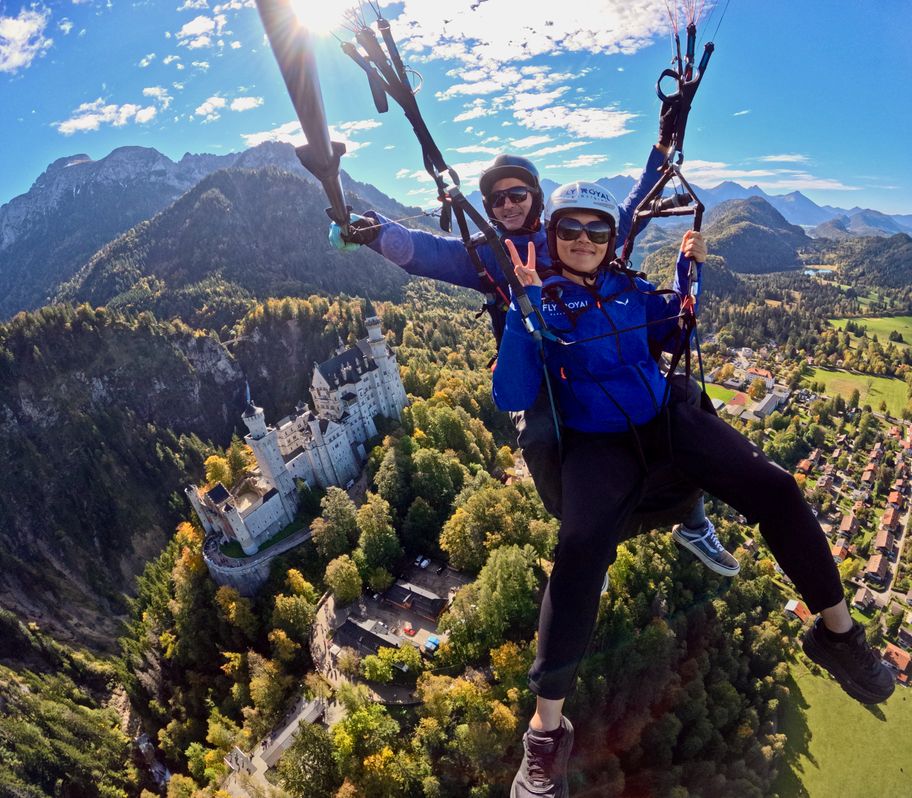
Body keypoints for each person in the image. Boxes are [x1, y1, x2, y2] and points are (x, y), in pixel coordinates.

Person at [492, 181, 896, 797]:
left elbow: (676, 334)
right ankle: (545, 734)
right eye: (570, 229)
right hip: (597, 443)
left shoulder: (631, 292)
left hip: (664, 421)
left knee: (777, 489)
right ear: (553, 236)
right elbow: (513, 395)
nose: (583, 240)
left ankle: (838, 636)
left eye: (596, 230)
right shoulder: (540, 302)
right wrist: (523, 311)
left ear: (611, 240)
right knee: (578, 550)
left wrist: (689, 274)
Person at [328, 105, 738, 578]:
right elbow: (427, 252)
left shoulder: (568, 233)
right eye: (497, 200)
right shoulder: (489, 257)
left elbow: (629, 211)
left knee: (669, 405)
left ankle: (694, 521)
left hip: (586, 354)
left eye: (517, 194)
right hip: (536, 370)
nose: (508, 205)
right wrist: (371, 229)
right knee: (541, 435)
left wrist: (661, 147)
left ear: (536, 198)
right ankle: (585, 536)